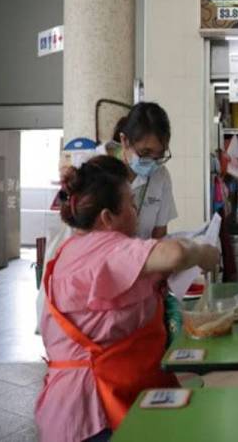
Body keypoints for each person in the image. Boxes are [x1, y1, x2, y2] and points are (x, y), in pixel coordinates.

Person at [35, 156, 220, 442]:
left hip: (87, 402)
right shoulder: (108, 247)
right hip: (93, 412)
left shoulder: (74, 250)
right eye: (131, 204)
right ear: (108, 218)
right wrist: (201, 252)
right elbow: (175, 254)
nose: (136, 211)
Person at [119, 102, 177, 239]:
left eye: (159, 155)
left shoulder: (161, 176)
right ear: (125, 141)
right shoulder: (100, 172)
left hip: (144, 259)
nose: (152, 162)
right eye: (145, 152)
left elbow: (159, 235)